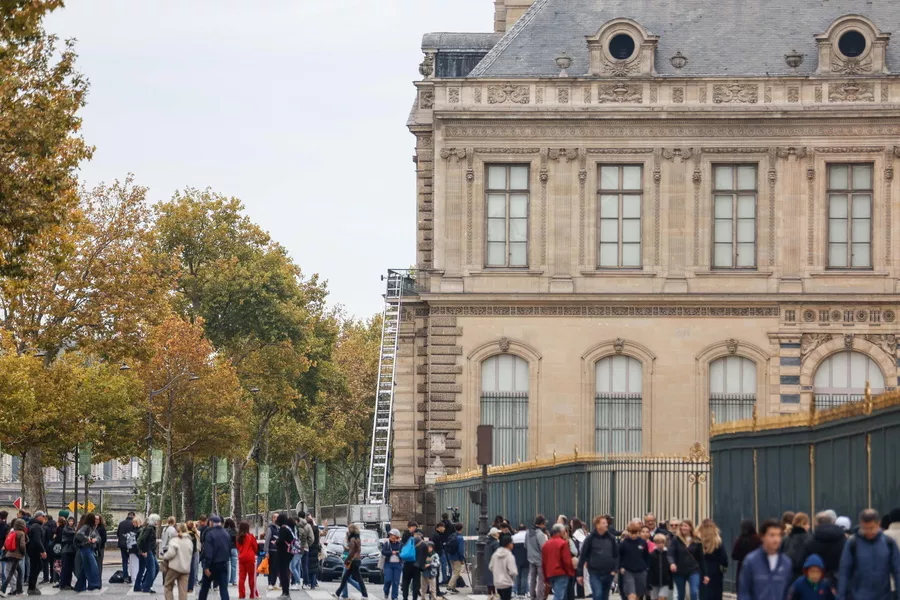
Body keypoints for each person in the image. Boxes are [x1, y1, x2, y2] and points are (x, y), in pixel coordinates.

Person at [837, 508, 900, 600]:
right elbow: (844, 572)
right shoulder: (853, 543)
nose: (869, 532)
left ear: (878, 524)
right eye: (865, 528)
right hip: (858, 596)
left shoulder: (888, 543)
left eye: (871, 528)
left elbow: (897, 571)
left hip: (883, 596)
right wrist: (841, 597)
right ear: (860, 524)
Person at [737, 519, 792, 600]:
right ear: (762, 536)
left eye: (778, 535)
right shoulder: (751, 561)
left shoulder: (786, 563)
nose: (776, 539)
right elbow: (744, 592)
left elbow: (787, 592)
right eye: (772, 535)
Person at [576, 515, 618, 600]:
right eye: (604, 523)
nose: (606, 524)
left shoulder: (611, 538)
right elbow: (583, 556)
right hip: (595, 573)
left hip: (608, 573)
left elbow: (616, 555)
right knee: (598, 594)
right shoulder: (590, 539)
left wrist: (615, 569)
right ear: (597, 525)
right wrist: (579, 574)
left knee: (605, 596)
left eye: (606, 523)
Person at [802, 511, 847, 586]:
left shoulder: (811, 541)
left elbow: (804, 561)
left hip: (817, 580)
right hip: (838, 579)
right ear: (832, 522)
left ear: (817, 524)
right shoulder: (843, 539)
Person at [667, 519, 704, 600]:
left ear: (690, 527)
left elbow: (701, 558)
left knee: (694, 592)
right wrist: (672, 563)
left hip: (693, 570)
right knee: (681, 594)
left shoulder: (697, 540)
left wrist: (705, 574)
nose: (683, 528)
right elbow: (670, 553)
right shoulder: (676, 540)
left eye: (686, 526)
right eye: (682, 526)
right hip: (679, 571)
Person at [199, 515, 232, 600]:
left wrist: (206, 566)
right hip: (224, 564)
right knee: (224, 589)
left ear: (211, 523)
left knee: (204, 588)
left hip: (212, 565)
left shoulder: (210, 534)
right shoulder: (226, 533)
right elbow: (229, 548)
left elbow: (208, 552)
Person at [335, 524, 368, 600]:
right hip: (357, 560)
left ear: (351, 531)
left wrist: (347, 560)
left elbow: (351, 552)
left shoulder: (352, 539)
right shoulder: (357, 538)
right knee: (345, 578)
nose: (347, 532)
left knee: (357, 578)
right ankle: (338, 593)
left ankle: (365, 594)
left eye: (348, 530)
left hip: (353, 560)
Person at [543, 524, 575, 600]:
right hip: (561, 573)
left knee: (561, 595)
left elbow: (544, 562)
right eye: (564, 532)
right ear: (560, 532)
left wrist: (545, 577)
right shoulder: (563, 543)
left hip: (550, 573)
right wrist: (570, 572)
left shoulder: (546, 544)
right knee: (559, 596)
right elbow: (566, 560)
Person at [162, 523, 193, 600]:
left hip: (174, 567)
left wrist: (164, 556)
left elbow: (171, 554)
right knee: (183, 590)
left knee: (168, 586)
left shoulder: (174, 540)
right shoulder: (190, 541)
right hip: (185, 568)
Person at [697, 519, 727, 600]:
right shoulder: (717, 541)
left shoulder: (697, 540)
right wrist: (724, 569)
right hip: (715, 571)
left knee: (703, 593)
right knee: (715, 593)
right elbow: (724, 558)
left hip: (701, 570)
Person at [618, 522, 648, 600]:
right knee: (631, 595)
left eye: (636, 532)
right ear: (628, 532)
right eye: (632, 533)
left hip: (641, 571)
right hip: (628, 571)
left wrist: (646, 567)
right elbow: (619, 556)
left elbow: (646, 556)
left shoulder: (643, 542)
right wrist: (620, 567)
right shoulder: (624, 543)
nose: (634, 535)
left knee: (638, 595)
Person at [73, 513, 102, 593]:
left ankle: (79, 586)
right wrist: (87, 539)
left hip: (89, 548)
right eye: (94, 519)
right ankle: (94, 585)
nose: (96, 520)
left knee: (85, 568)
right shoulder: (86, 527)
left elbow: (98, 537)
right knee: (93, 566)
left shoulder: (92, 528)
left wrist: (95, 539)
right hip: (85, 548)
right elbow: (78, 534)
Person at [0, 518, 28, 597]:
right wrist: (24, 553)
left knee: (18, 572)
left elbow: (6, 543)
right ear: (22, 525)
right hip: (17, 555)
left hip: (10, 554)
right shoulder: (21, 533)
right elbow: (22, 545)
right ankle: (4, 590)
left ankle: (19, 591)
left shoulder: (12, 532)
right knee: (13, 572)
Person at [781, 513, 811, 580]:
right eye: (808, 524)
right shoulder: (809, 539)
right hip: (803, 574)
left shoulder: (786, 538)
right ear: (803, 524)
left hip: (788, 573)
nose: (809, 526)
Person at [135, 514, 160, 594]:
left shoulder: (149, 528)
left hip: (149, 550)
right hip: (148, 550)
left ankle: (144, 585)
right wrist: (144, 551)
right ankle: (146, 586)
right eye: (156, 521)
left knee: (154, 568)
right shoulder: (149, 529)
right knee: (152, 569)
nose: (157, 522)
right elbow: (142, 540)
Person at [490, 534, 518, 600]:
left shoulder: (495, 554)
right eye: (512, 543)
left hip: (497, 583)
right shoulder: (509, 555)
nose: (513, 545)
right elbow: (513, 571)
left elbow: (491, 567)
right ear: (508, 544)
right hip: (507, 583)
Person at [26, 511, 47, 596]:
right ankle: (31, 587)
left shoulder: (35, 525)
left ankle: (32, 586)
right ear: (38, 517)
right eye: (43, 516)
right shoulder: (36, 527)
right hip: (34, 550)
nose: (44, 518)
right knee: (36, 567)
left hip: (33, 550)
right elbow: (37, 540)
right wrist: (43, 551)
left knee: (37, 567)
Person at [526, 516, 547, 600]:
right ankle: (540, 597)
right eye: (544, 524)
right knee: (541, 580)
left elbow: (525, 545)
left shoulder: (528, 533)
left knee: (532, 579)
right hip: (540, 560)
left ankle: (532, 596)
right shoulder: (540, 533)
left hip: (531, 559)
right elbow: (544, 548)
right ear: (541, 524)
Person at [235, 522, 258, 600]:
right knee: (251, 578)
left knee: (241, 577)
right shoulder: (250, 536)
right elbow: (255, 547)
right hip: (250, 558)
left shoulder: (238, 537)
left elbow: (237, 547)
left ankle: (241, 595)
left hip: (241, 558)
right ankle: (252, 594)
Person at [647, 534, 672, 600]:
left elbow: (670, 569)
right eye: (658, 543)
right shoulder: (652, 555)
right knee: (655, 598)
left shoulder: (668, 554)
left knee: (662, 597)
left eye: (662, 542)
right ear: (655, 543)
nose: (660, 544)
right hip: (654, 582)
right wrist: (648, 583)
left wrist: (671, 581)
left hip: (665, 581)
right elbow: (650, 569)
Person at [401, 522, 421, 600]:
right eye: (412, 527)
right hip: (409, 562)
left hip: (414, 562)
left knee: (415, 582)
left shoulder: (417, 534)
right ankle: (405, 597)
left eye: (415, 527)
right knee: (406, 581)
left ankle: (414, 597)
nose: (414, 528)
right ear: (409, 527)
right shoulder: (406, 535)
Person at [117, 512, 137, 584]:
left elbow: (118, 533)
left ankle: (125, 577)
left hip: (122, 544)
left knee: (124, 561)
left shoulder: (121, 523)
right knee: (132, 561)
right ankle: (132, 576)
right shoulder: (134, 523)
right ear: (133, 516)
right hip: (131, 545)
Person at [383, 529, 403, 600]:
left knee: (396, 581)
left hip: (398, 564)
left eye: (392, 535)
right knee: (388, 579)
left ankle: (394, 597)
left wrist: (397, 553)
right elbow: (383, 552)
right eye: (390, 535)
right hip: (388, 564)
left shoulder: (400, 544)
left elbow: (403, 553)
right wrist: (391, 553)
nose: (391, 536)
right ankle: (386, 591)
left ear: (397, 536)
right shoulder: (387, 543)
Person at [446, 523, 466, 594]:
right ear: (461, 529)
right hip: (457, 557)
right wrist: (462, 559)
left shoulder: (452, 535)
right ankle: (449, 586)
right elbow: (461, 550)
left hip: (451, 556)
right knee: (457, 573)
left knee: (454, 572)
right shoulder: (460, 537)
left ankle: (453, 588)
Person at [512, 524, 529, 599]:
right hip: (526, 560)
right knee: (525, 577)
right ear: (525, 529)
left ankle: (515, 591)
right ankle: (523, 592)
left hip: (516, 560)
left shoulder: (513, 537)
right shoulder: (528, 537)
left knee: (517, 577)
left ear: (518, 529)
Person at [186, 521, 203, 593]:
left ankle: (192, 583)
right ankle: (191, 584)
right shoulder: (191, 534)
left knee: (193, 568)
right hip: (193, 552)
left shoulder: (193, 533)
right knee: (193, 568)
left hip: (194, 551)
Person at [265, 514, 279, 591]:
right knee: (271, 567)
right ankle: (270, 582)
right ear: (273, 518)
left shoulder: (278, 528)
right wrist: (266, 551)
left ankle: (273, 582)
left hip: (277, 551)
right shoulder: (270, 528)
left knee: (276, 568)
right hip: (272, 550)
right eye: (277, 517)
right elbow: (267, 540)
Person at [486, 528, 501, 599]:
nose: (499, 534)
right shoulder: (495, 543)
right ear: (495, 534)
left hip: (487, 561)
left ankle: (490, 593)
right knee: (494, 578)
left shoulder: (487, 541)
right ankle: (494, 593)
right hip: (494, 562)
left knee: (489, 578)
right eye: (498, 533)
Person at [223, 518, 238, 588]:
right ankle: (233, 580)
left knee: (227, 565)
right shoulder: (235, 531)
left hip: (226, 549)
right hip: (234, 549)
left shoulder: (224, 531)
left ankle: (226, 580)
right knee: (234, 565)